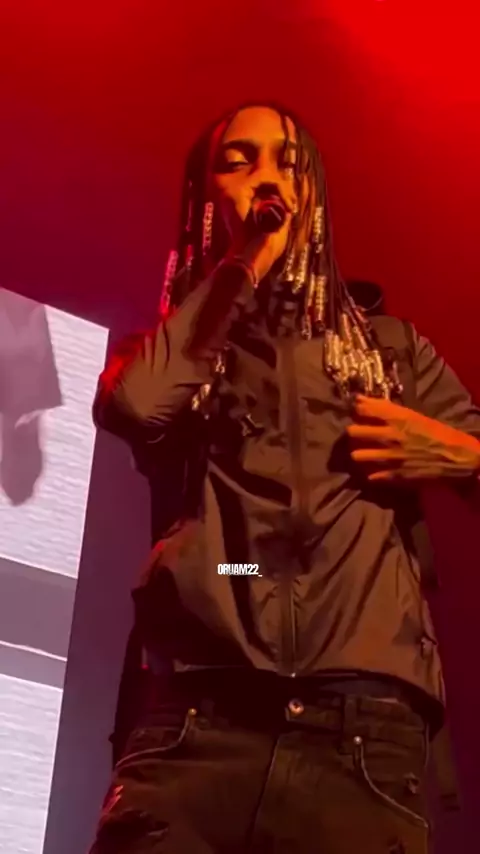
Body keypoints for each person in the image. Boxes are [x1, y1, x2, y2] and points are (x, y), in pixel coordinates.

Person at [89, 103, 480, 854]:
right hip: (197, 727)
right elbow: (135, 407)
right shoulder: (175, 351)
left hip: (360, 736)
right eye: (238, 161)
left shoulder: (390, 352)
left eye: (287, 162)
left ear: (314, 195)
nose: (266, 178)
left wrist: (462, 455)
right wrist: (243, 264)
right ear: (206, 199)